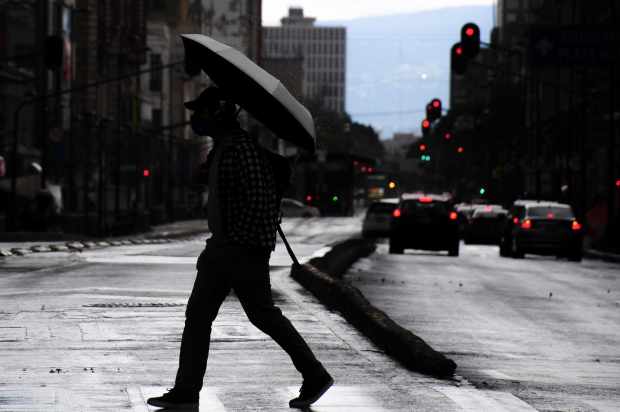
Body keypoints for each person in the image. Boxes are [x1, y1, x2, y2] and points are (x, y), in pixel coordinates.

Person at [147, 87, 333, 409]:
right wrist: (206, 178)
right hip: (217, 248)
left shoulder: (244, 148)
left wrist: (236, 243)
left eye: (201, 112)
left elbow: (259, 200)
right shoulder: (220, 148)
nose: (195, 119)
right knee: (197, 316)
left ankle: (315, 375)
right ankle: (186, 391)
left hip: (241, 250)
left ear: (220, 114)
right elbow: (231, 192)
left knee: (263, 316)